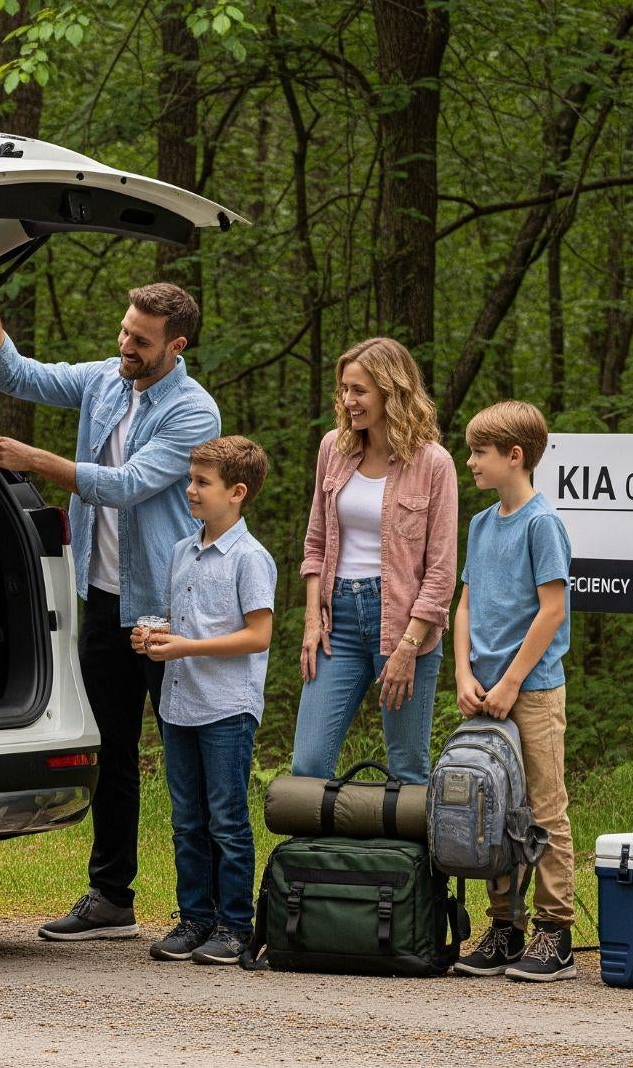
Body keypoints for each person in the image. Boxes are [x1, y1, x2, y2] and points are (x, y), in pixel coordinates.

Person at [0, 277, 221, 941]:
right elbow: (11, 370)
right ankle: (111, 896)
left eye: (140, 339)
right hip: (104, 598)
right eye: (123, 329)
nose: (124, 344)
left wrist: (32, 459)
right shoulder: (106, 380)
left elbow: (130, 484)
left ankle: (212, 912)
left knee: (187, 756)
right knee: (110, 751)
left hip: (169, 607)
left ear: (176, 344)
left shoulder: (195, 411)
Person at [134, 436, 275, 965]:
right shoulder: (180, 551)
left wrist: (187, 646)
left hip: (226, 708)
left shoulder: (251, 558)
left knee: (226, 820)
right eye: (190, 479)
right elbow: (190, 624)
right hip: (179, 703)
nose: (189, 490)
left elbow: (258, 635)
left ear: (237, 492)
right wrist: (158, 639)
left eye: (201, 483)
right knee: (186, 820)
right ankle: (193, 918)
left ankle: (235, 925)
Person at [450, 400, 576, 982]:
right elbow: (466, 603)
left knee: (543, 811)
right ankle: (505, 925)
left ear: (515, 456)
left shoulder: (541, 523)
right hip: (483, 692)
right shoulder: (480, 523)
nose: (470, 461)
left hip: (531, 691)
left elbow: (552, 611)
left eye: (480, 452)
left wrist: (509, 682)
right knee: (491, 808)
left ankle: (556, 933)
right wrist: (464, 675)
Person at [292, 337, 456, 785]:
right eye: (344, 389)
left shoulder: (433, 463)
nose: (348, 401)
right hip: (337, 623)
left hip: (404, 624)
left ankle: (410, 859)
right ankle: (322, 857)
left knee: (406, 771)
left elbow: (442, 570)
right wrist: (312, 619)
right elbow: (316, 542)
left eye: (359, 390)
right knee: (307, 766)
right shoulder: (334, 448)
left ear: (391, 390)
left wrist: (408, 649)